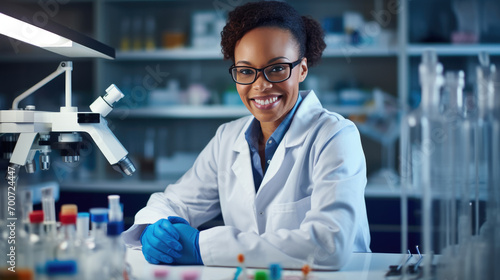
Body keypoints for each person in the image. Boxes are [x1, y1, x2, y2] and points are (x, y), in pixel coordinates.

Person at [122, 1, 371, 270]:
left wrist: (201, 247)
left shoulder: (335, 136)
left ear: (302, 69)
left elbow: (328, 244)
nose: (260, 85)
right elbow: (173, 202)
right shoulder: (227, 138)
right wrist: (153, 226)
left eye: (277, 68)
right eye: (245, 71)